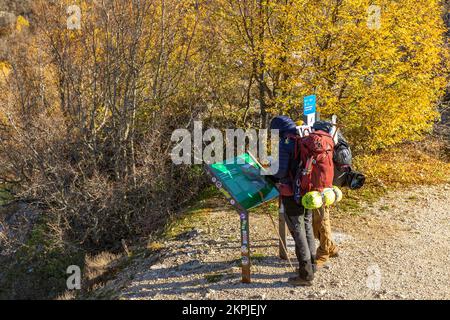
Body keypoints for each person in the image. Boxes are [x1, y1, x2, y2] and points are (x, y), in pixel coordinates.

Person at [269, 116, 316, 286]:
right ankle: (312, 266)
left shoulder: (286, 141)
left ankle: (305, 275)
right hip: (308, 190)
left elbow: (280, 172)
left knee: (298, 230)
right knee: (307, 225)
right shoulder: (304, 135)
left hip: (291, 192)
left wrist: (266, 170)